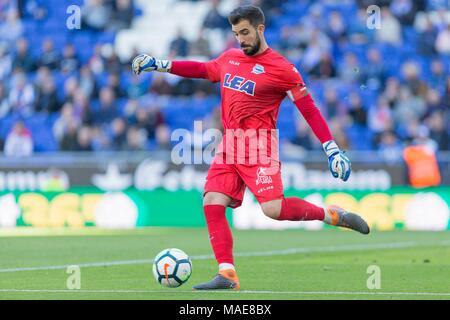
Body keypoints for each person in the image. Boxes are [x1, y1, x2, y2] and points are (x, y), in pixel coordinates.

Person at [132, 5, 370, 291]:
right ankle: (227, 273)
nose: (240, 39)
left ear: (260, 29)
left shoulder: (283, 69)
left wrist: (331, 148)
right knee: (211, 202)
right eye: (235, 34)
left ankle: (331, 215)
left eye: (244, 32)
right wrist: (161, 64)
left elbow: (308, 109)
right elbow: (203, 69)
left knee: (273, 209)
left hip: (260, 147)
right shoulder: (230, 57)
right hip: (230, 143)